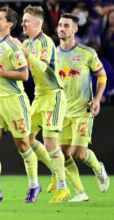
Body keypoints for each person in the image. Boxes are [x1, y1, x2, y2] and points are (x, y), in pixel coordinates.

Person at [0, 7, 41, 204]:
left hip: (14, 101)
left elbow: (24, 75)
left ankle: (34, 185)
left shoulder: (13, 46)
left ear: (9, 24)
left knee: (23, 145)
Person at [10, 5, 69, 203]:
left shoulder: (45, 42)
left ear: (37, 23)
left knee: (51, 142)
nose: (23, 24)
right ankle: (55, 171)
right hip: (39, 96)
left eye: (26, 21)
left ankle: (63, 187)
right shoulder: (27, 42)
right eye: (23, 21)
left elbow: (43, 68)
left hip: (53, 95)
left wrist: (25, 53)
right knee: (27, 138)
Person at [57, 13, 109, 202]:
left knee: (78, 153)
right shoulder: (53, 54)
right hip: (62, 112)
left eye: (66, 26)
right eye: (60, 25)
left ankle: (98, 168)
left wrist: (97, 99)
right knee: (63, 153)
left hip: (82, 110)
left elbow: (102, 76)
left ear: (75, 29)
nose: (62, 28)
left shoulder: (87, 52)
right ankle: (80, 192)